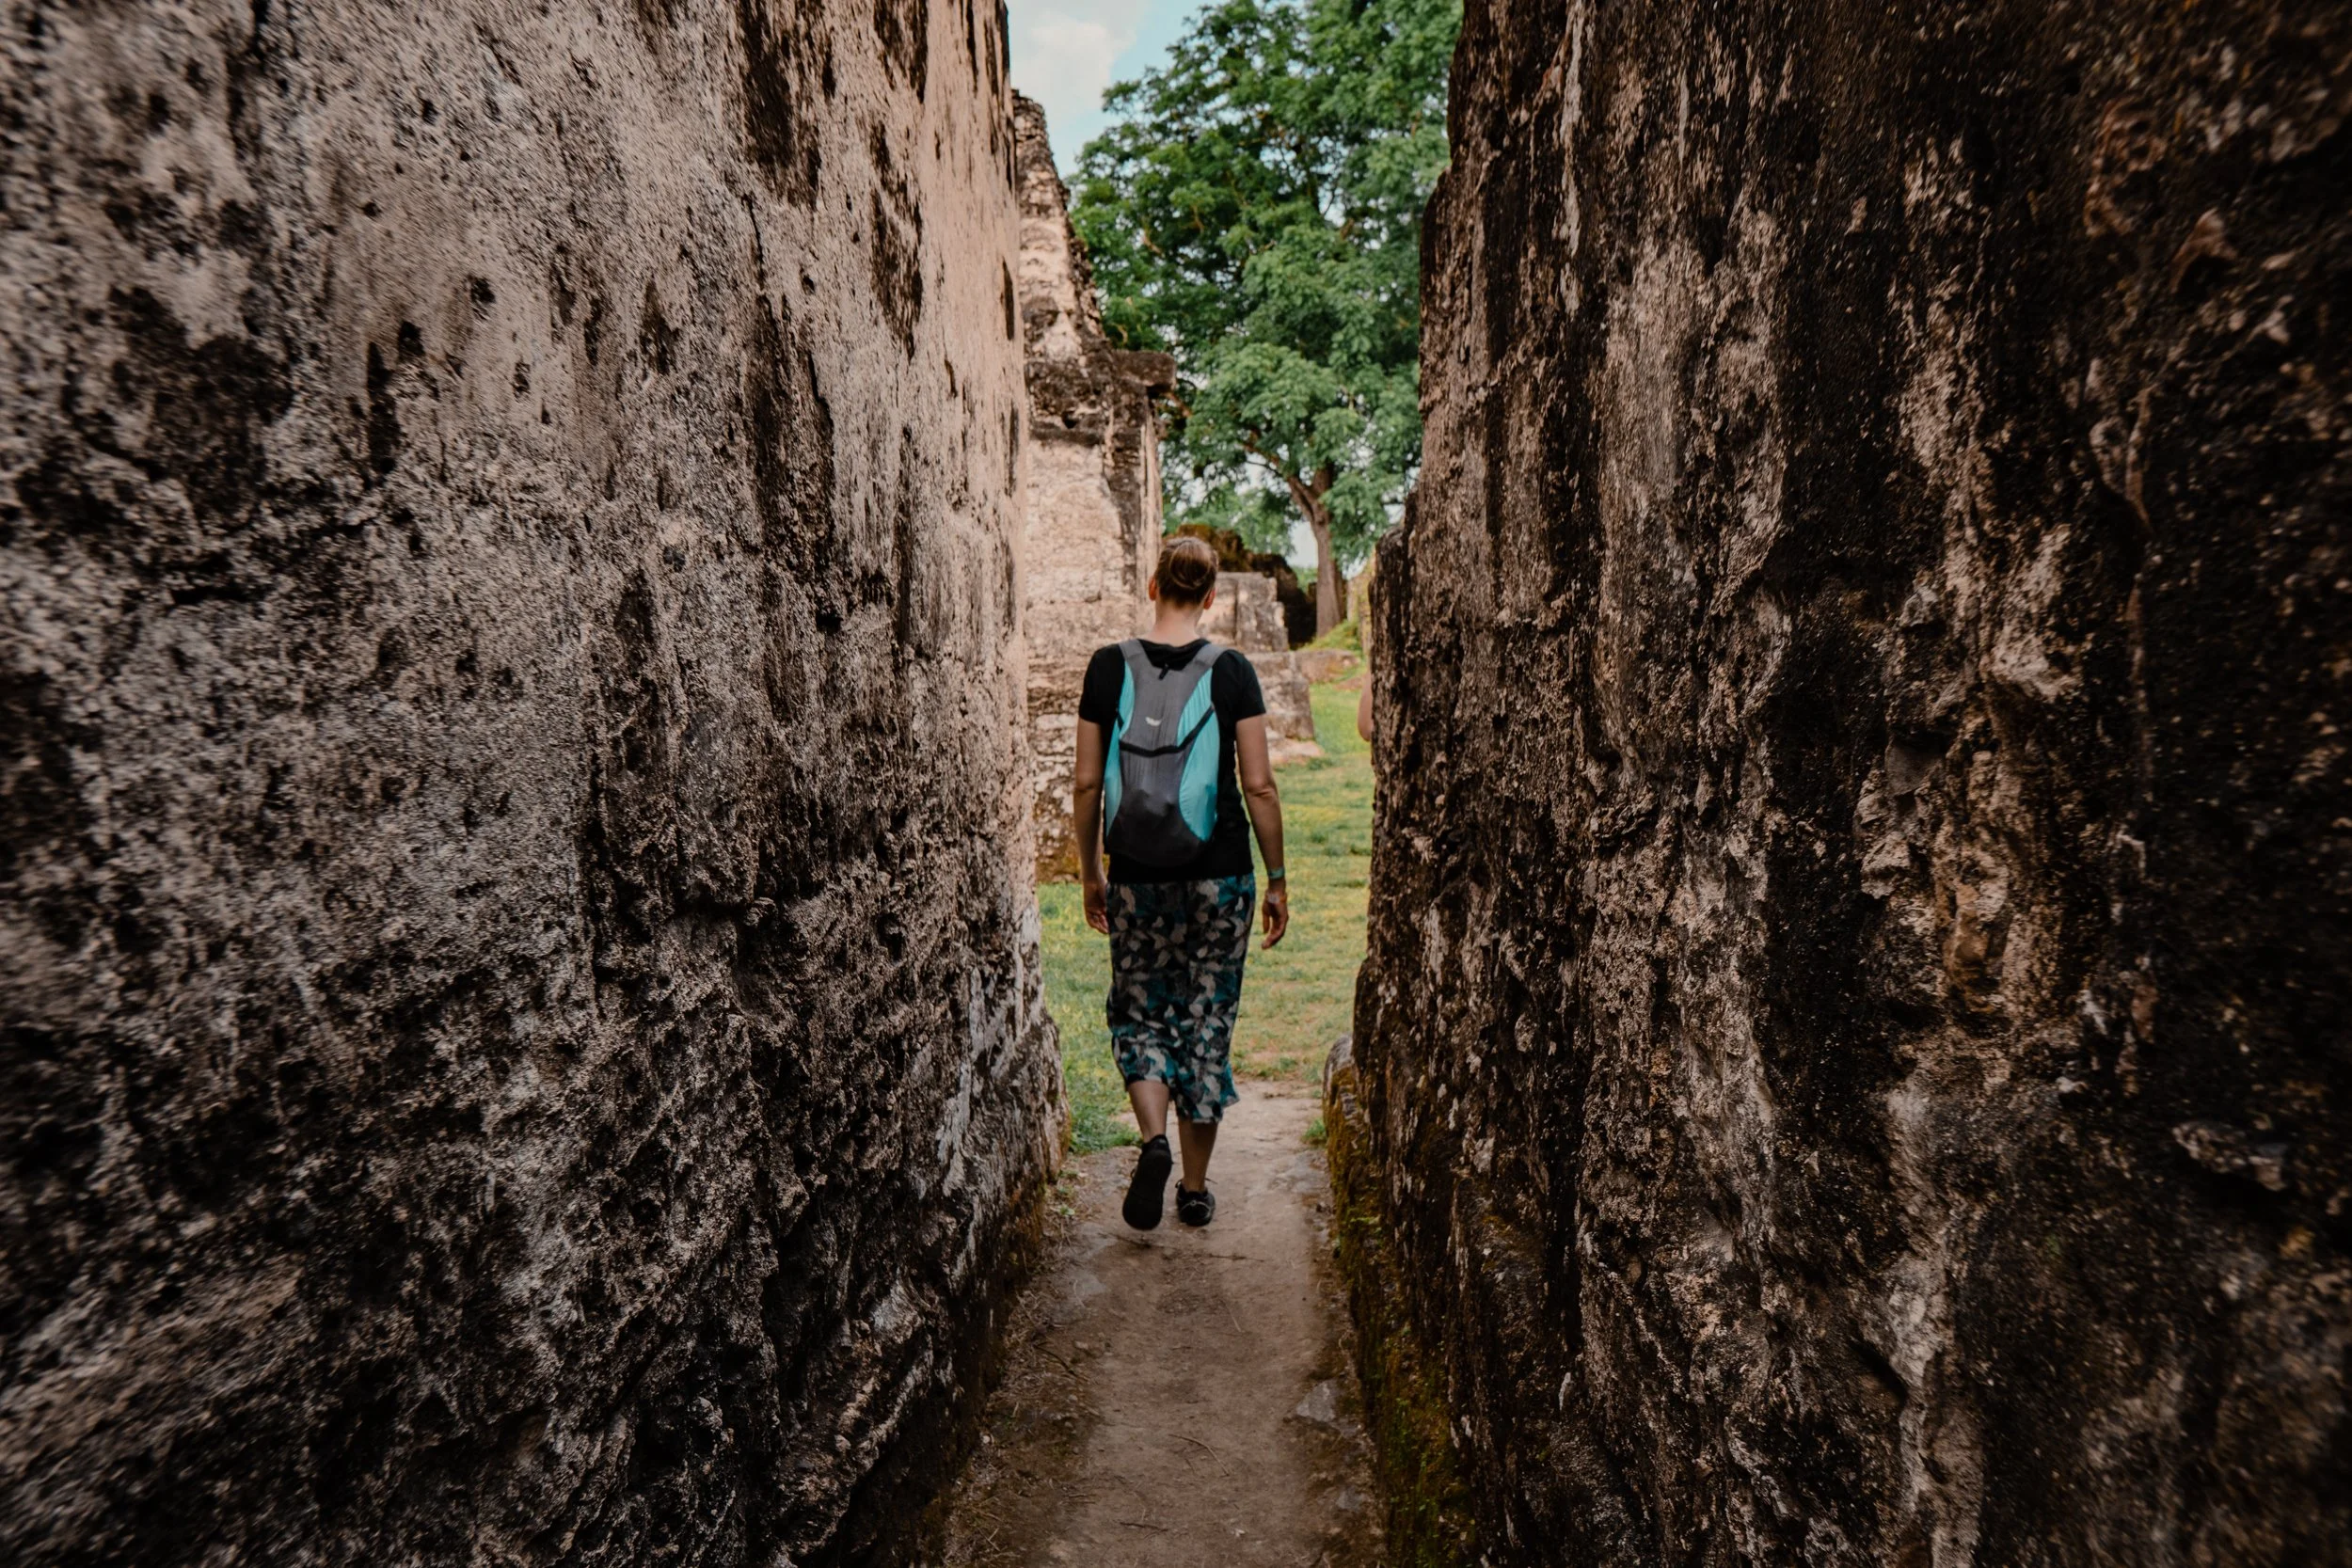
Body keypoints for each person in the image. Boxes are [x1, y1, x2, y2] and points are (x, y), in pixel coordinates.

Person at [1072, 536, 1289, 1230]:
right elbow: (1257, 783)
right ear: (1212, 597)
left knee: (1140, 1012)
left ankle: (1153, 1140)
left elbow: (1083, 783)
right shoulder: (1232, 670)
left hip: (1136, 874)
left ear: (1150, 584)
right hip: (1219, 876)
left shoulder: (1108, 668)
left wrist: (1090, 872)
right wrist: (1278, 877)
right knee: (1206, 1016)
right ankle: (1193, 1187)